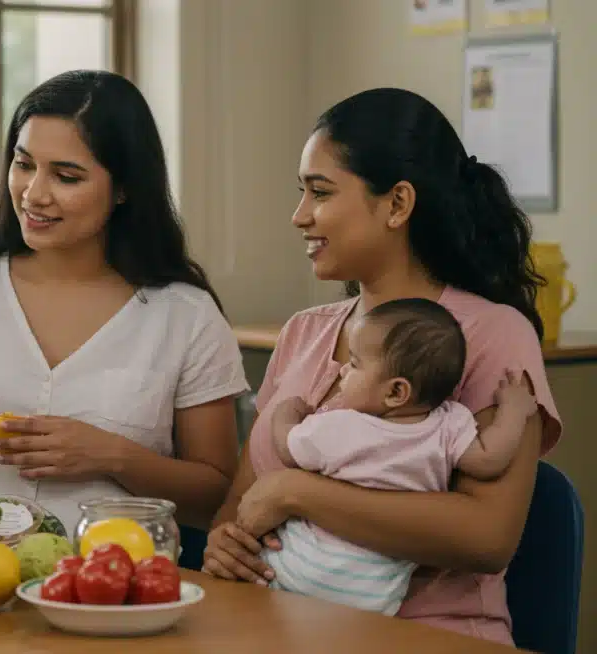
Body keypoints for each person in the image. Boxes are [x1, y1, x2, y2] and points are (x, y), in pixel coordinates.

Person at [201, 87, 561, 645]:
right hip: (280, 629)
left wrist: (297, 493)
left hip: (430, 637)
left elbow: (487, 537)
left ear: (397, 203)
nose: (300, 216)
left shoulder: (494, 336)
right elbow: (241, 507)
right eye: (301, 192)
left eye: (320, 192)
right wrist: (227, 541)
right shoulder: (303, 333)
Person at [0, 70, 248, 540]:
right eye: (24, 163)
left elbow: (216, 497)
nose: (33, 194)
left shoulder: (187, 316)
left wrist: (110, 456)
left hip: (113, 582)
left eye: (66, 176)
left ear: (124, 189)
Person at [263, 298, 538, 615]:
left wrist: (287, 413)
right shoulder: (449, 424)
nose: (342, 371)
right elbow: (489, 459)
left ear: (395, 392)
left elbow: (287, 448)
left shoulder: (341, 427)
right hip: (377, 597)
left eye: (354, 364)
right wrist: (513, 413)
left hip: (299, 577)